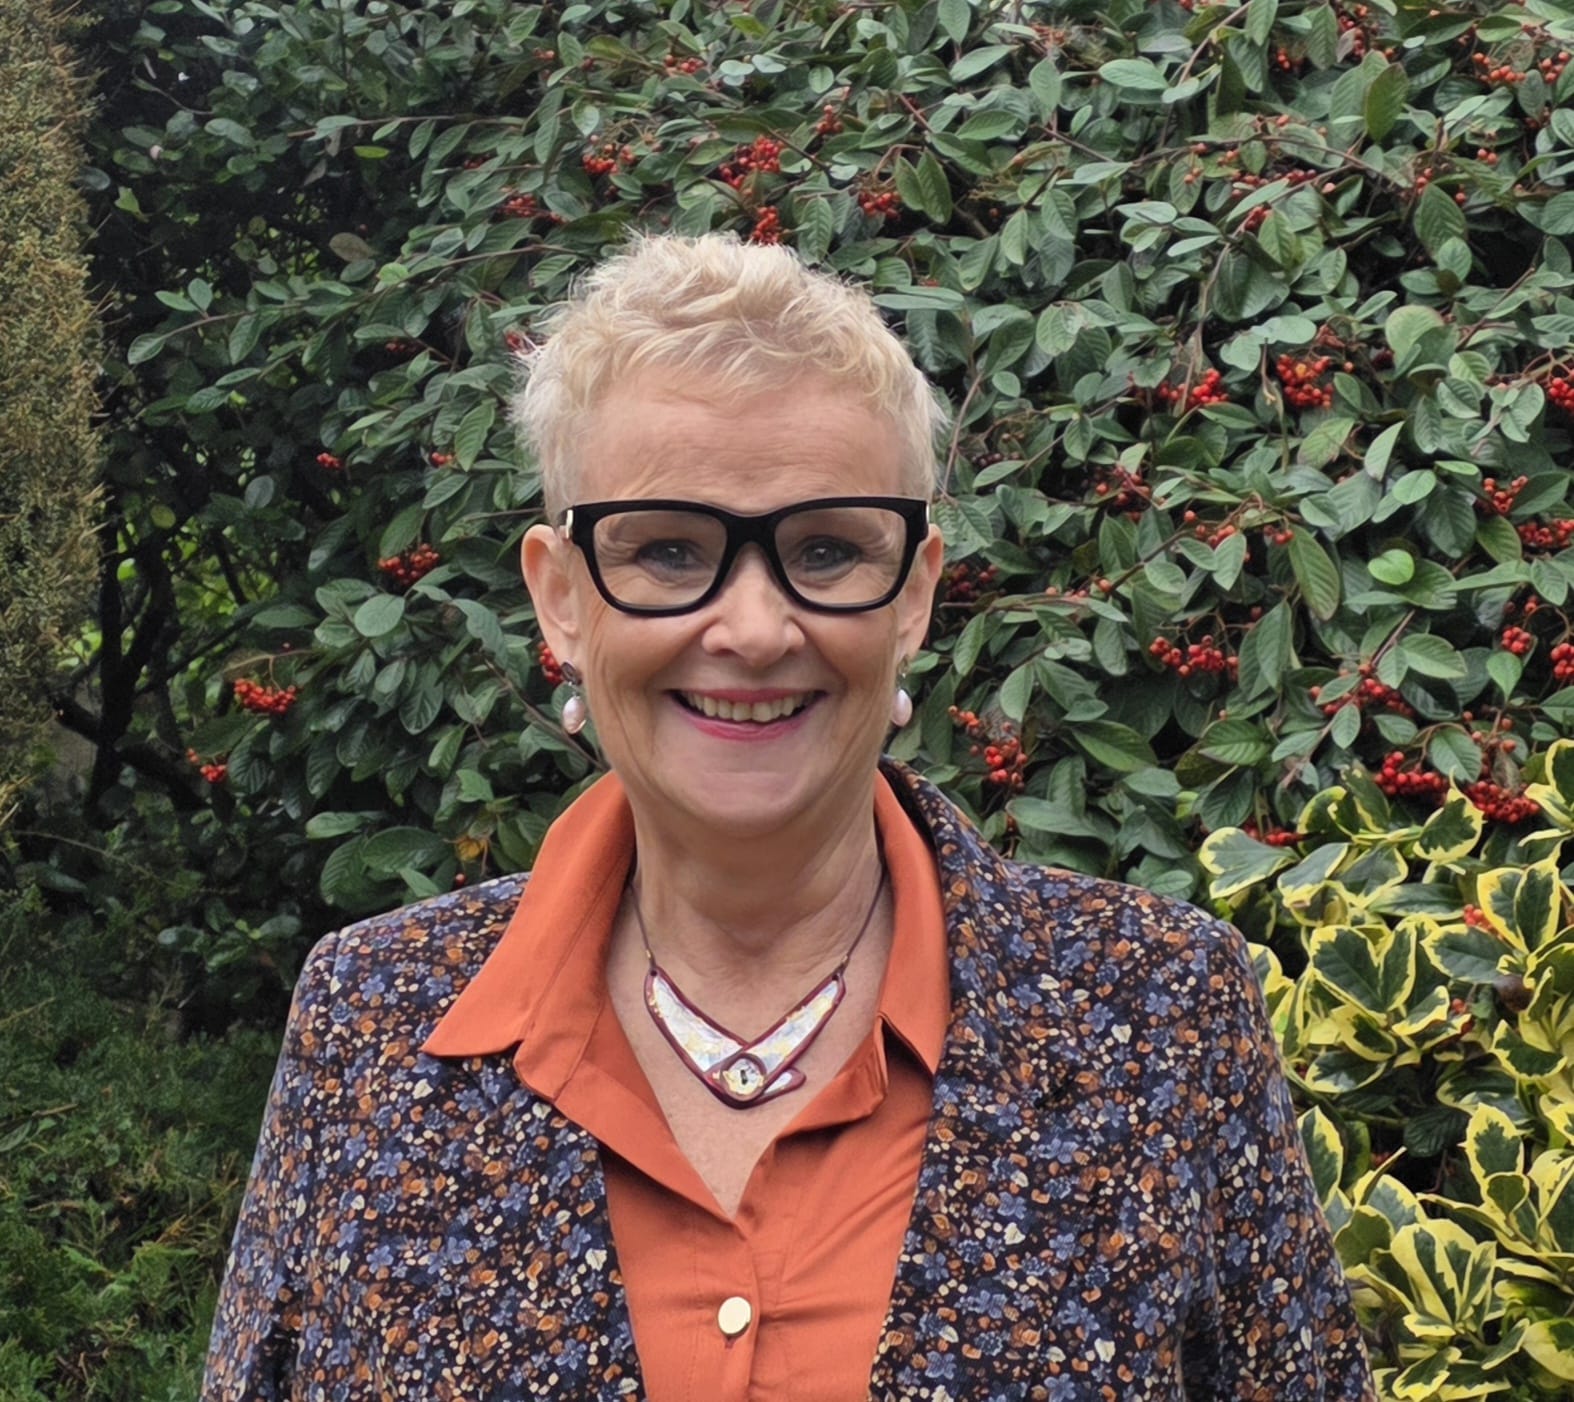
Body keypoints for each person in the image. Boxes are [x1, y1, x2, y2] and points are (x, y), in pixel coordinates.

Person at [202, 233, 1376, 1400]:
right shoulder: (371, 1019)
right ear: (559, 598)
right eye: (669, 550)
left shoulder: (1161, 1011)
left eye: (825, 549)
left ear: (912, 596)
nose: (756, 631)